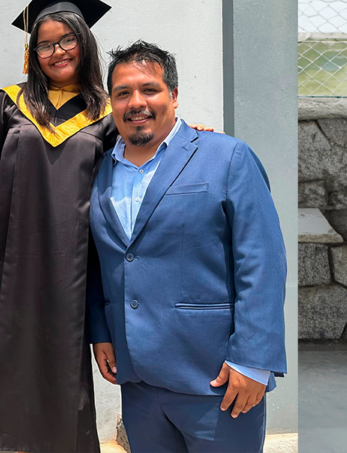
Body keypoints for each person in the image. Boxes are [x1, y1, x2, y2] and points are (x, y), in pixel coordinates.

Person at [88, 41, 287, 453]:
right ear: (111, 102)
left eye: (149, 89)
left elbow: (262, 262)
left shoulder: (228, 157)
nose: (136, 102)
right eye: (123, 93)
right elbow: (100, 259)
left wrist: (253, 360)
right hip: (139, 383)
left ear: (174, 96)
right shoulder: (100, 169)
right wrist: (101, 331)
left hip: (216, 378)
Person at [0, 0, 117, 453]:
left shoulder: (106, 112)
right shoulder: (11, 102)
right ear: (33, 54)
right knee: (3, 346)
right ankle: (7, 443)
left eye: (67, 39)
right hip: (8, 253)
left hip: (74, 256)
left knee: (62, 351)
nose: (57, 51)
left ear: (84, 44)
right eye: (45, 44)